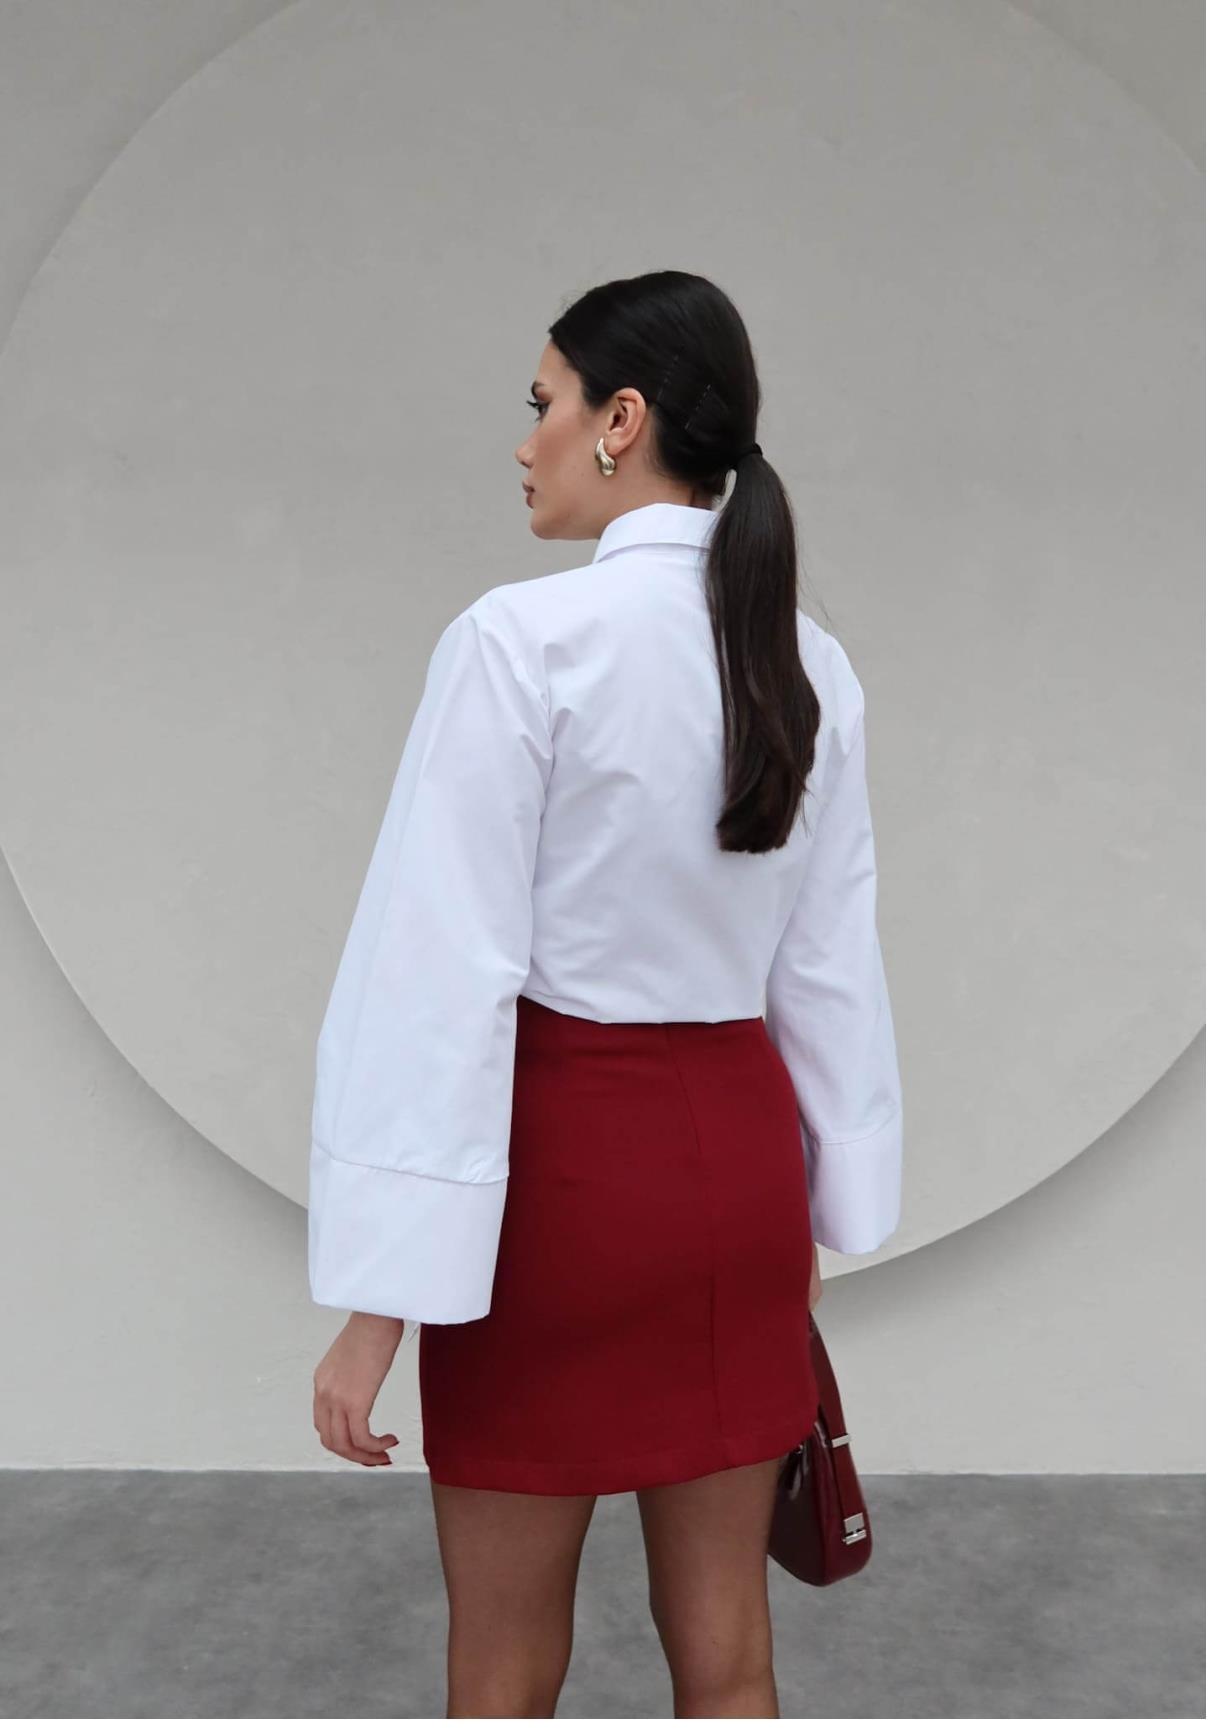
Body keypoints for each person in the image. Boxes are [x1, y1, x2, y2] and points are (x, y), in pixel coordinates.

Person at [307, 269, 902, 1719]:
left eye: (544, 405)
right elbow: (828, 966)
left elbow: (437, 972)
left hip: (558, 1192)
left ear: (620, 420)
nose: (526, 444)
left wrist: (380, 1303)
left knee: (505, 1666)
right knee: (730, 1657)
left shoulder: (518, 643)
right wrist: (813, 1216)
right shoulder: (808, 659)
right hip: (736, 1178)